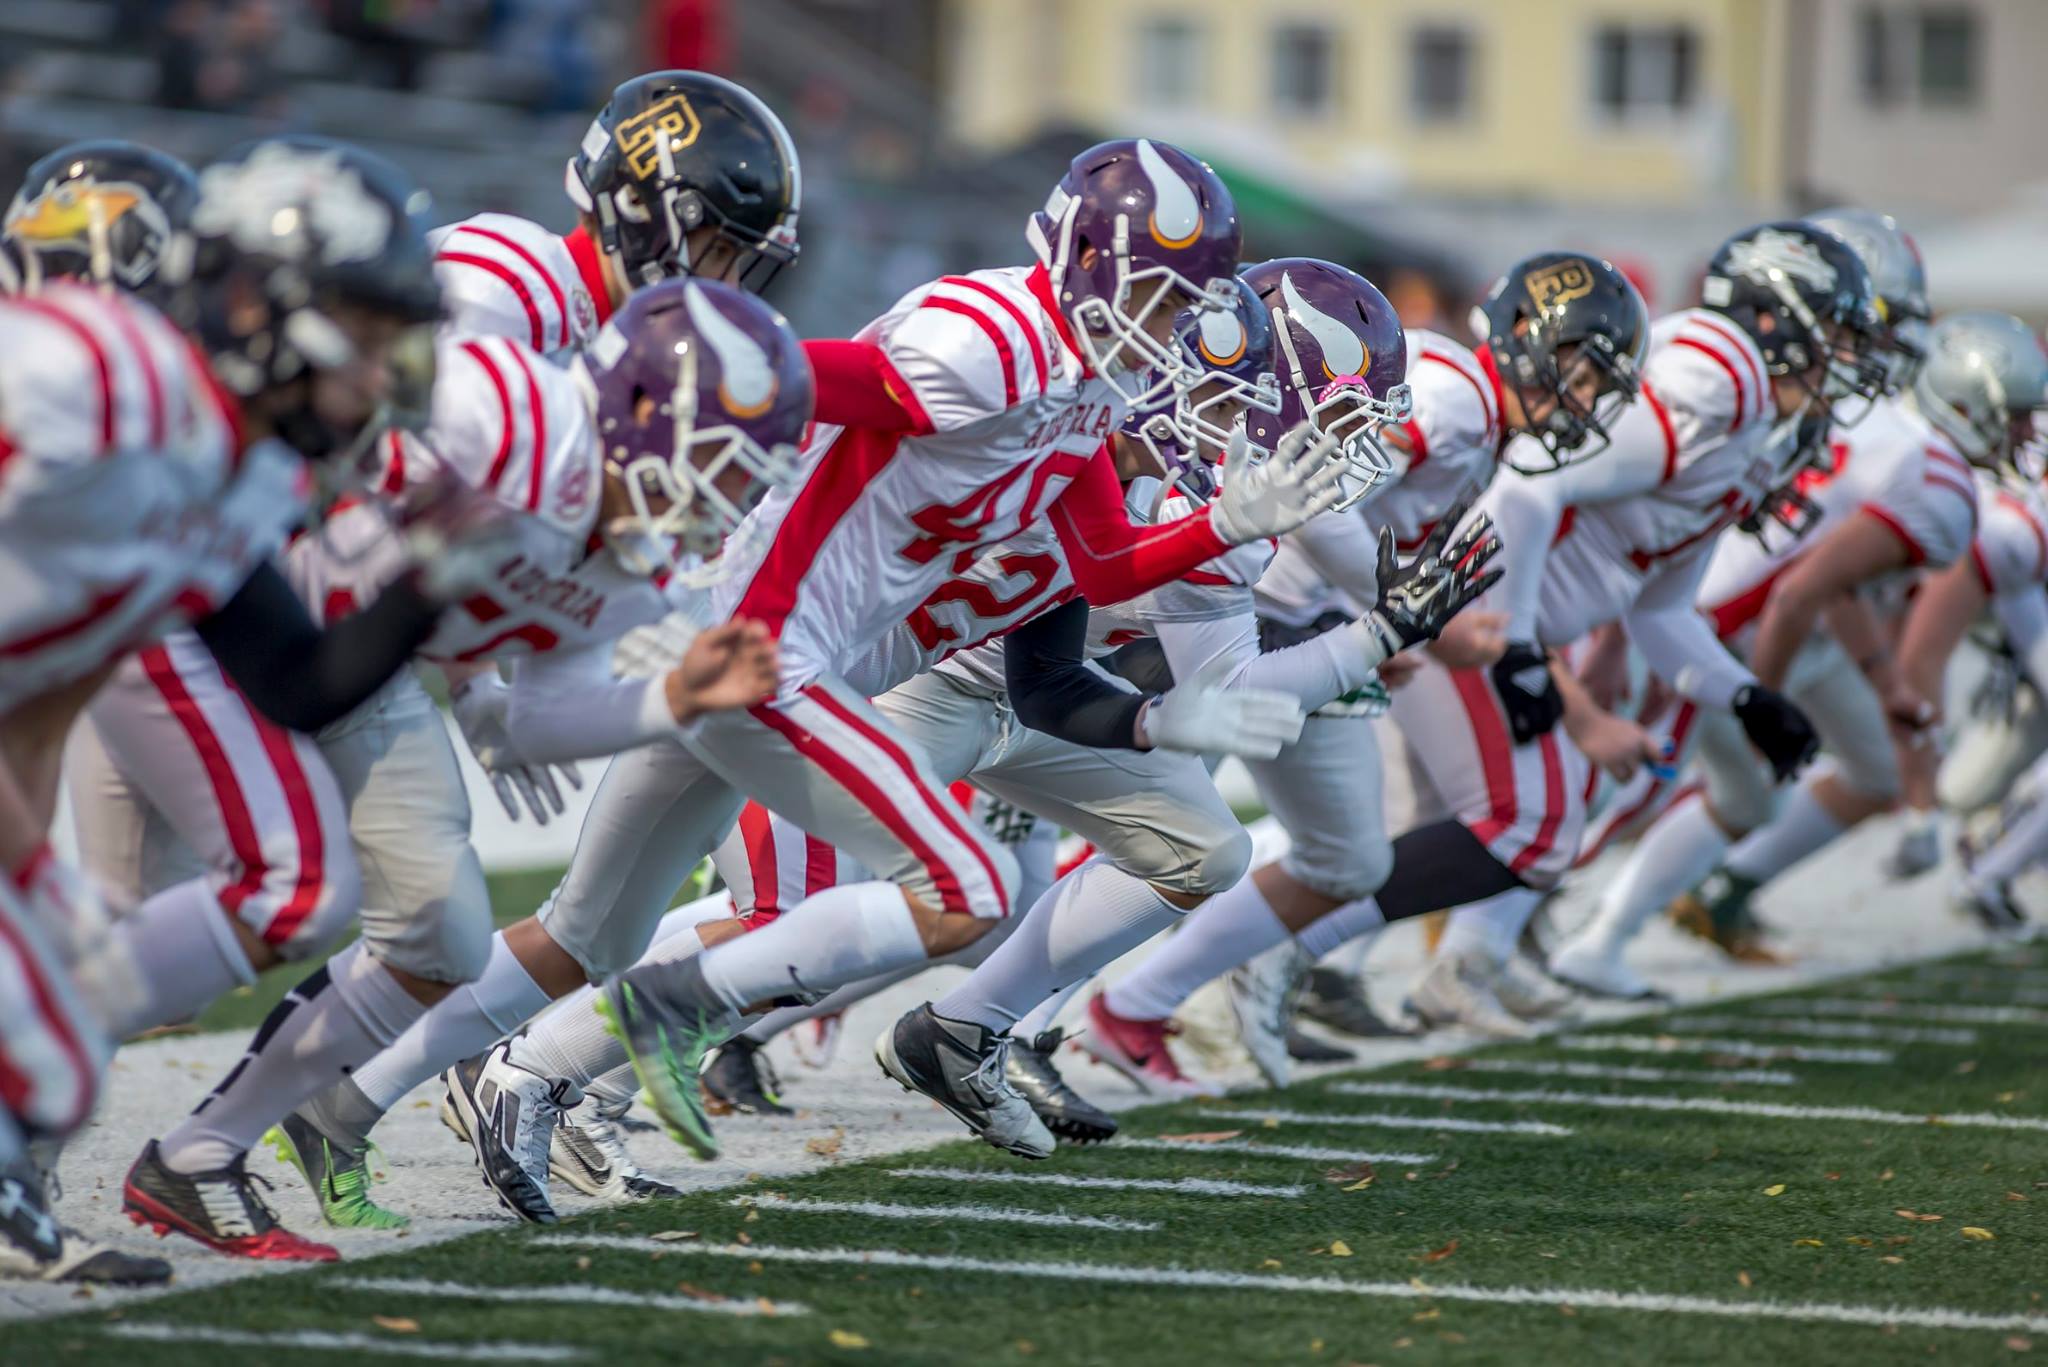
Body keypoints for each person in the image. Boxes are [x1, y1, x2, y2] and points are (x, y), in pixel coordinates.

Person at [0, 136, 480, 1282]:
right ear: (262, 303)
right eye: (363, 338)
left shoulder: (243, 469)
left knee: (53, 1058)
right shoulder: (89, 373)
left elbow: (292, 679)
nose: (380, 375)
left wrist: (432, 577)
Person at [1085, 253, 1639, 1086]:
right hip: (1241, 610)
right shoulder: (1453, 402)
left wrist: (1382, 627)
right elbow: (1310, 495)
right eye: (1581, 372)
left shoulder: (1478, 415)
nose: (1588, 400)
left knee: (1341, 856)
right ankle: (1044, 1010)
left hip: (1300, 621)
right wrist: (1406, 623)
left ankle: (1147, 1003)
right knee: (1151, 826)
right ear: (1530, 339)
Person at [1550, 223, 1971, 996]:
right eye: (1856, 328)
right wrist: (1754, 699)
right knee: (1581, 797)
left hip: (1687, 617)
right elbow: (1789, 581)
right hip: (1676, 619)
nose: (1873, 350)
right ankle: (1519, 926)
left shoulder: (1811, 414)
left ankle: (1569, 929)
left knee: (1686, 793)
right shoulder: (1731, 386)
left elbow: (1809, 577)